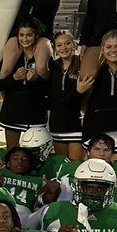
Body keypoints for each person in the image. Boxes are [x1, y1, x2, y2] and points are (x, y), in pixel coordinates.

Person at [0, 21, 50, 150]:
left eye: (29, 35)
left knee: (35, 158)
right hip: (13, 116)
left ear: (36, 36)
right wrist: (14, 78)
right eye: (21, 35)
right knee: (13, 155)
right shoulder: (11, 58)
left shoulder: (44, 59)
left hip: (36, 117)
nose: (25, 39)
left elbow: (50, 90)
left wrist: (36, 80)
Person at [77, 29, 117, 159]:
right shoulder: (94, 72)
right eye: (108, 47)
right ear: (102, 49)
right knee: (95, 176)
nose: (113, 50)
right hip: (95, 132)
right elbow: (80, 103)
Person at [45, 30, 84, 161]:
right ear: (54, 48)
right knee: (61, 167)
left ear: (74, 44)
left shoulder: (82, 64)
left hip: (77, 124)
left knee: (75, 167)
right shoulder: (53, 66)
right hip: (57, 123)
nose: (64, 48)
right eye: (59, 45)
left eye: (67, 43)